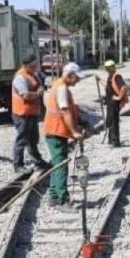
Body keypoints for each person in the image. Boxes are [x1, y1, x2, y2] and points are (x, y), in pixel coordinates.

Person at [44, 62, 86, 208]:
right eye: (76, 78)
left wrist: (80, 123)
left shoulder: (58, 85)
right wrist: (74, 132)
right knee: (61, 165)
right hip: (56, 131)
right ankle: (62, 200)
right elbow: (65, 110)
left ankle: (54, 196)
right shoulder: (61, 88)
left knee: (57, 164)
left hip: (55, 131)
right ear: (69, 75)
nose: (78, 81)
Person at [11, 53, 47, 174]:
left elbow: (40, 86)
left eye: (36, 65)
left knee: (33, 139)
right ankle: (18, 165)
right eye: (33, 66)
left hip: (31, 112)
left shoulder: (33, 74)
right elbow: (25, 95)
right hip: (22, 113)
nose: (35, 67)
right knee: (22, 139)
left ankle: (37, 160)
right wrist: (38, 94)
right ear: (25, 66)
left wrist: (39, 92)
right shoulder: (20, 77)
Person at [104, 60, 128, 147]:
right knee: (109, 121)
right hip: (110, 103)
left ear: (113, 67)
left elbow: (124, 87)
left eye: (109, 68)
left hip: (114, 103)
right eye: (107, 68)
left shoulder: (117, 76)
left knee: (114, 122)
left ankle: (115, 142)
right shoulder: (110, 77)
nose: (107, 70)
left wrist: (119, 97)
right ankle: (110, 140)